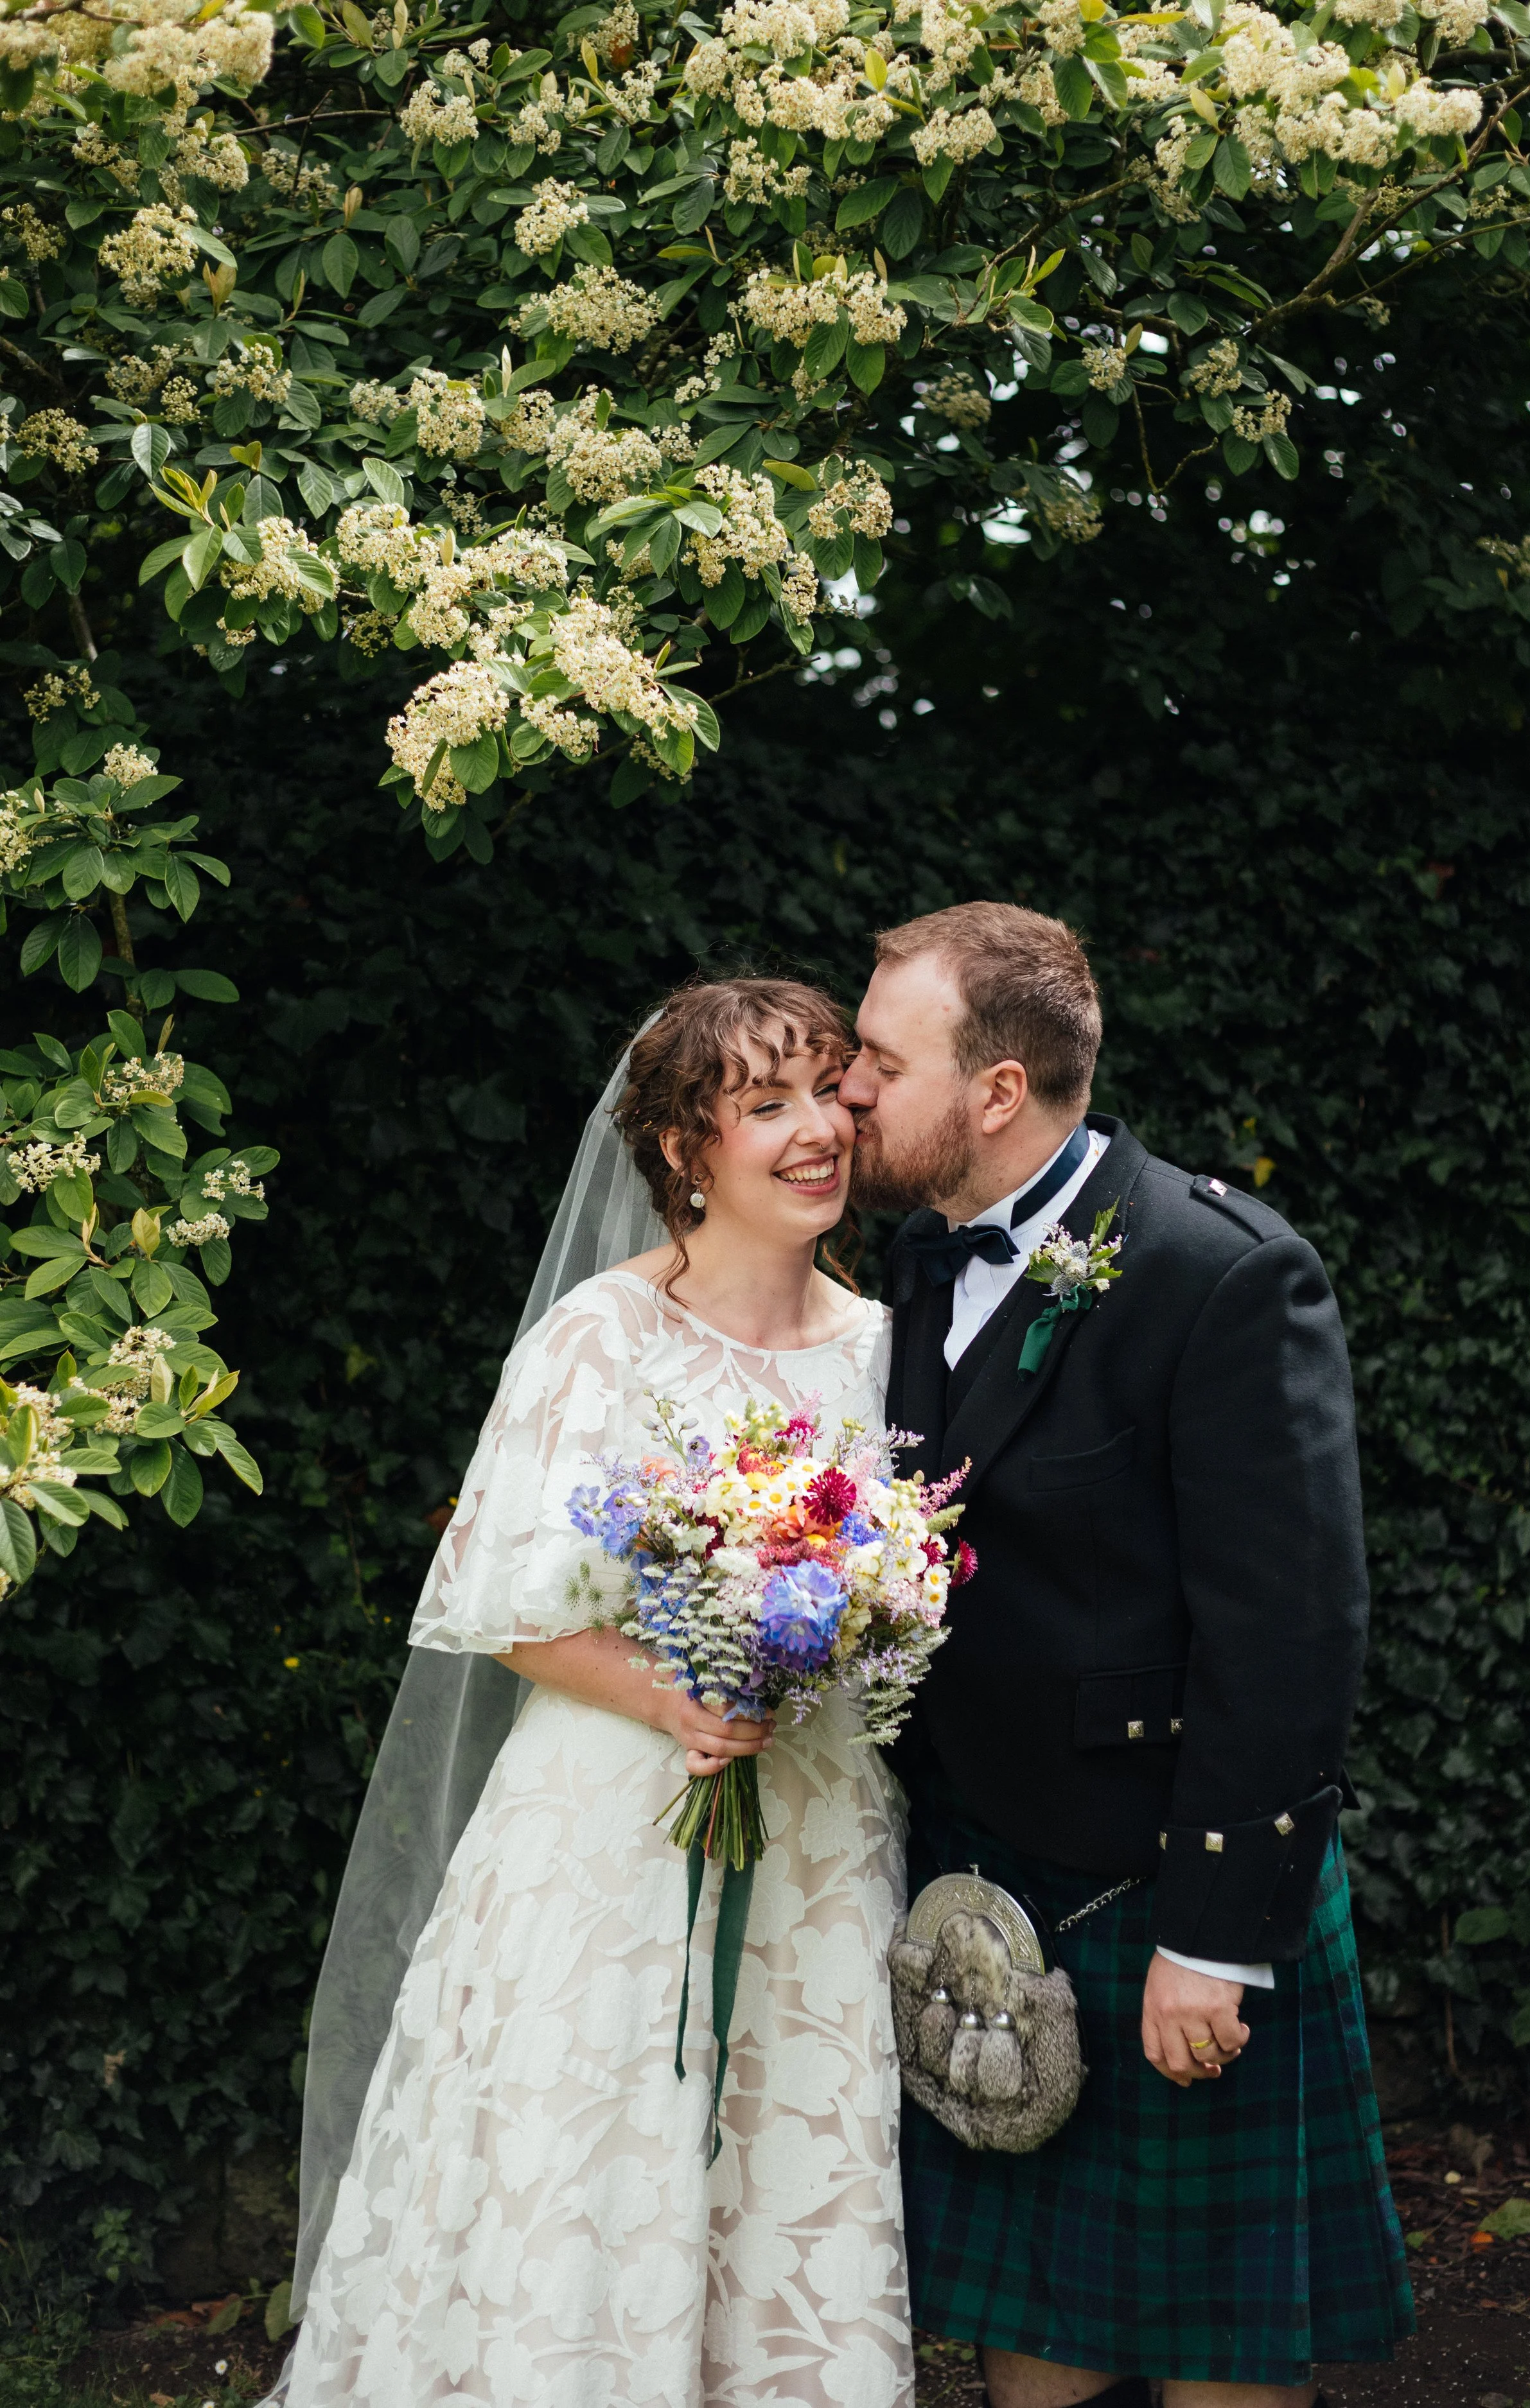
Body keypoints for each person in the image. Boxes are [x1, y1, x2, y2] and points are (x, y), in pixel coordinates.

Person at [276, 979, 914, 2408]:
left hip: (809, 1837)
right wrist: (674, 1698)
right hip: (608, 1833)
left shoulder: (878, 1346)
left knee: (785, 2172)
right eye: (765, 1108)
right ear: (685, 1151)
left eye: (826, 1092)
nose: (816, 1132)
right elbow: (498, 1606)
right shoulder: (600, 1338)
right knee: (589, 2163)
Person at [839, 902, 1414, 2408]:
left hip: (1164, 1886)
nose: (847, 1087)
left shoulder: (1216, 1273)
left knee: (1218, 2360)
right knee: (1036, 2349)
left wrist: (1213, 1938)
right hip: (988, 1884)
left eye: (878, 1062)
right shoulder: (909, 1260)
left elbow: (1286, 1631)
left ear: (996, 1092)